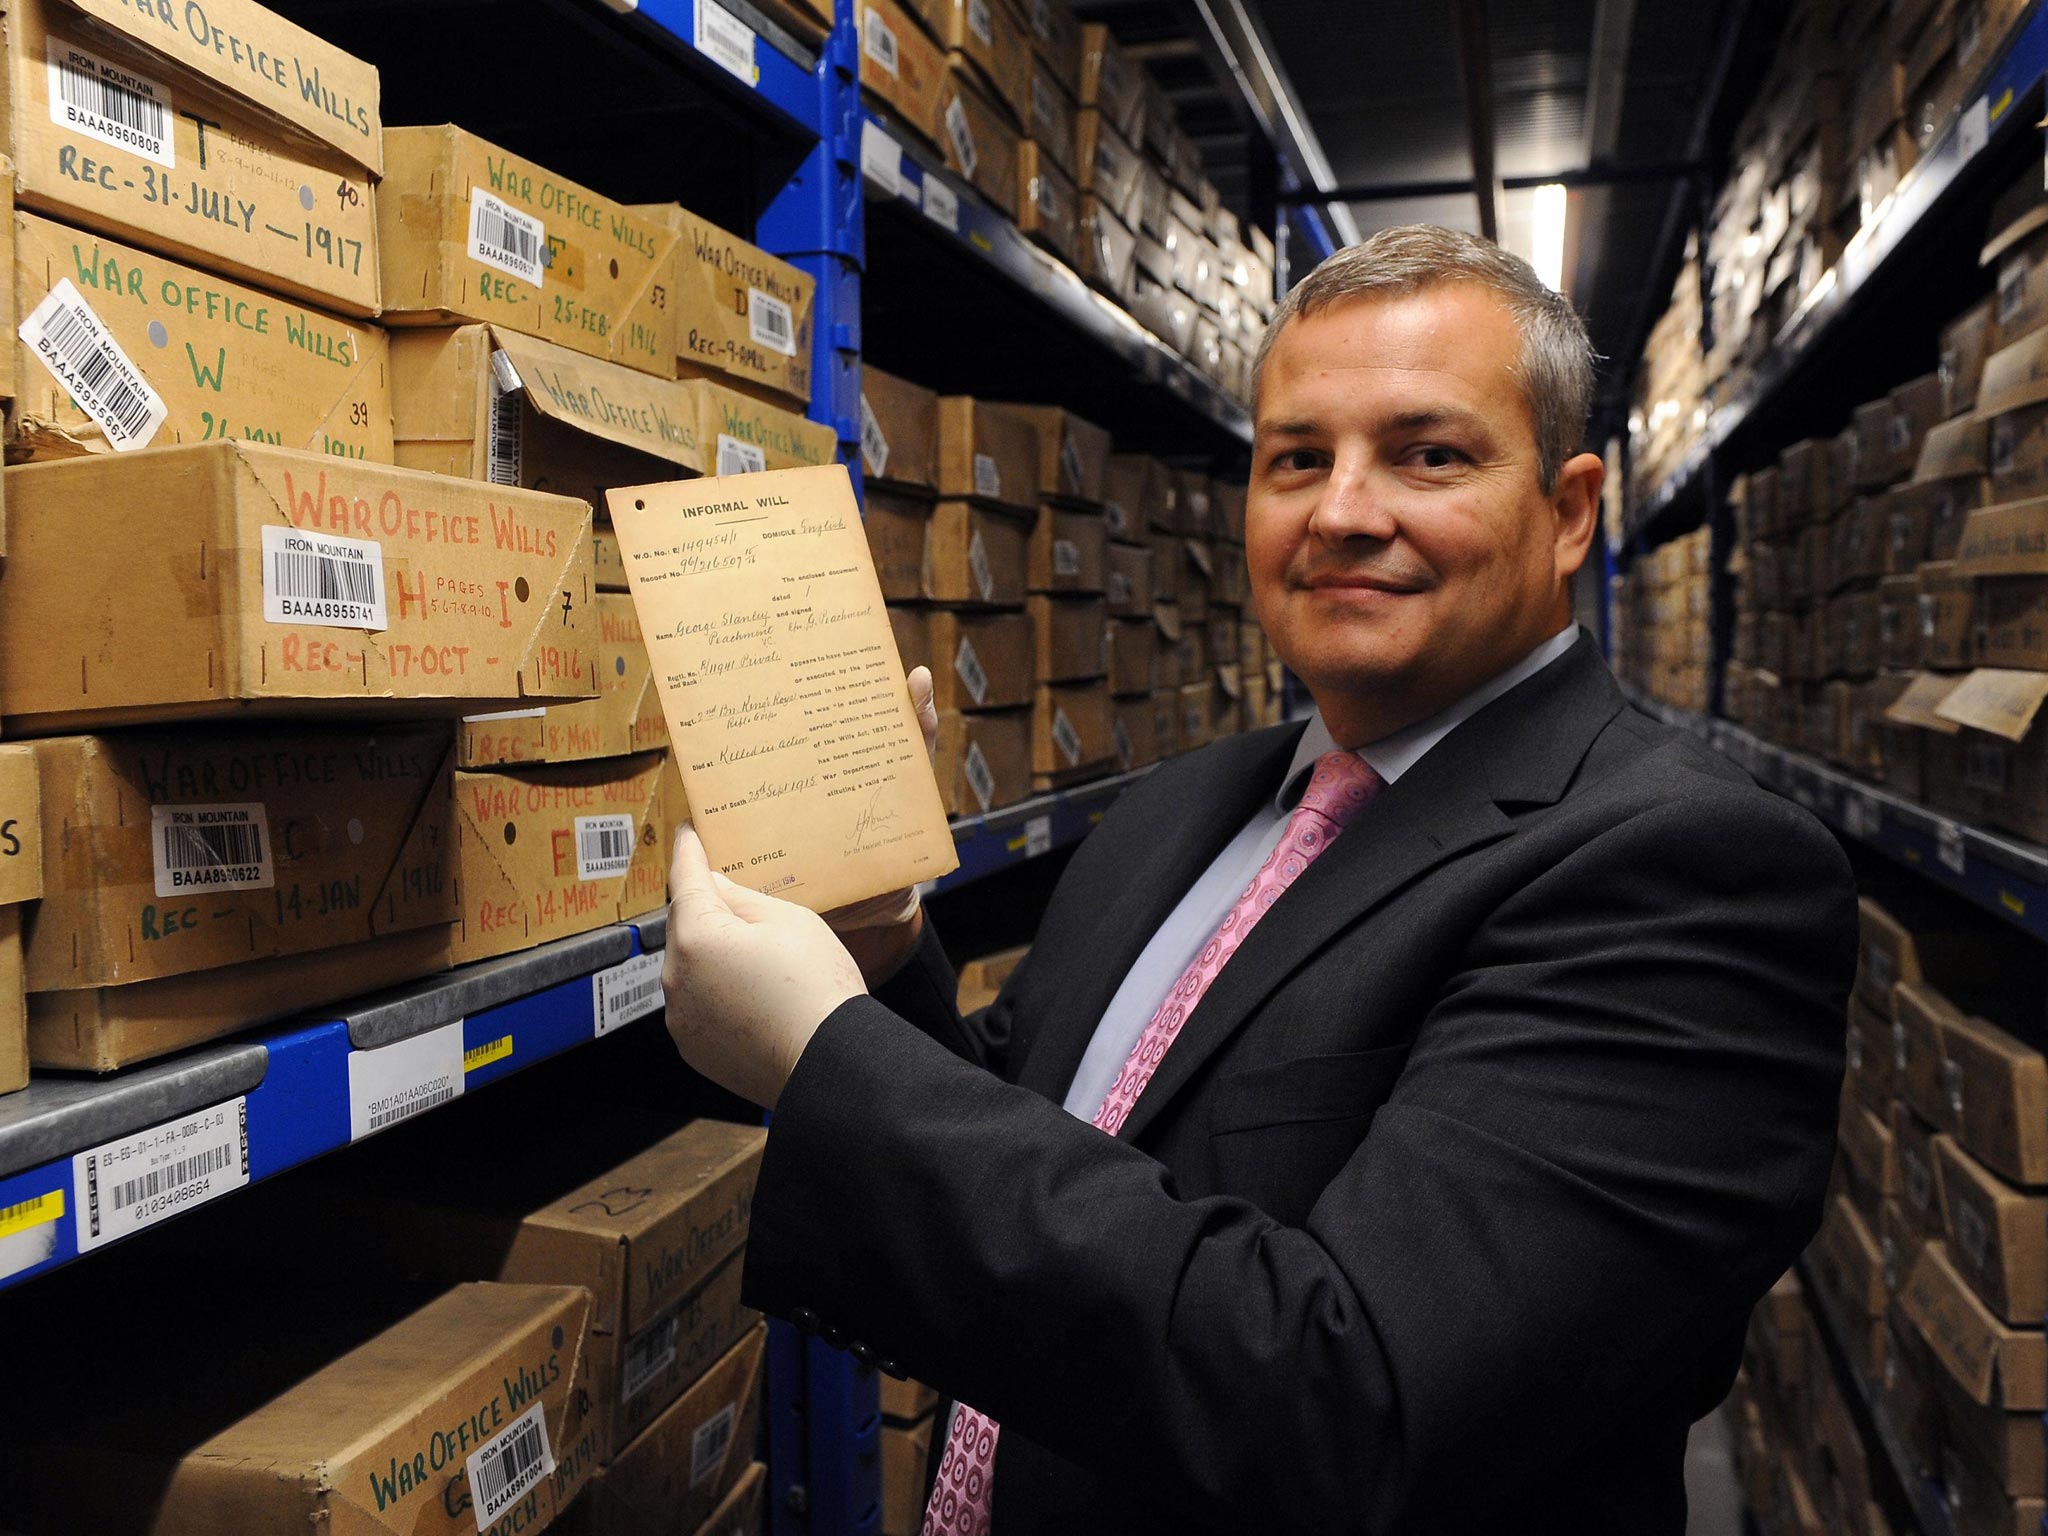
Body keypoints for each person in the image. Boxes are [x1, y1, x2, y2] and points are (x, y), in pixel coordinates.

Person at [657, 225, 1856, 1535]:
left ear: (1569, 512)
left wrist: (821, 1055)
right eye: (1297, 458)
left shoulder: (1685, 871)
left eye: (1428, 454)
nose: (1342, 511)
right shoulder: (1185, 805)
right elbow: (1049, 1131)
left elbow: (1358, 1402)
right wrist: (880, 960)